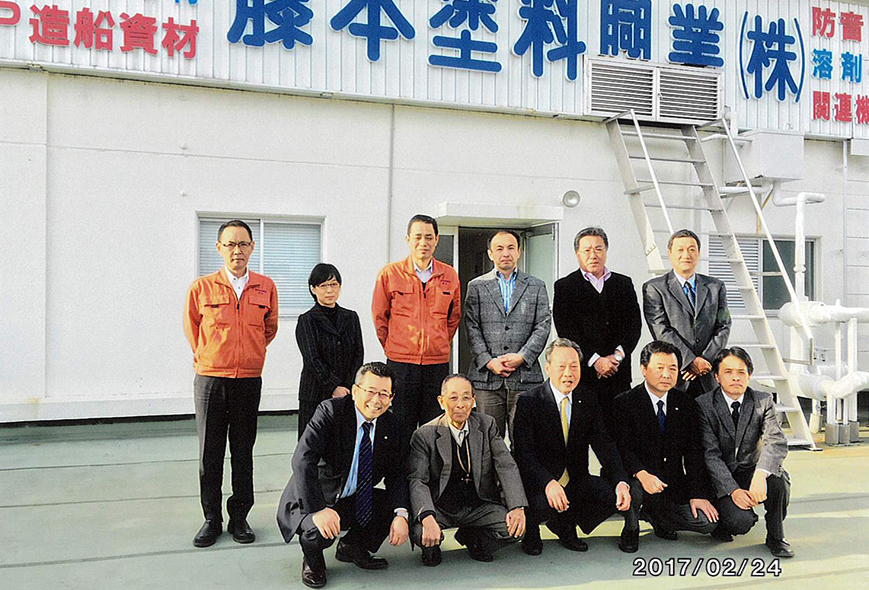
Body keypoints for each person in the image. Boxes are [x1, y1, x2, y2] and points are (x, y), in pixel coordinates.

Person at [183, 219, 279, 547]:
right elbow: (193, 329)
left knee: (242, 451)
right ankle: (212, 518)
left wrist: (249, 354)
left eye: (243, 244)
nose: (237, 250)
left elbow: (269, 329)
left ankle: (240, 517)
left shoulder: (266, 287)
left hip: (248, 380)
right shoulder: (201, 288)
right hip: (210, 379)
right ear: (219, 248)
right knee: (210, 453)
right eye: (230, 244)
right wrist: (213, 356)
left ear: (252, 247)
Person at [276, 362, 411, 588]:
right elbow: (302, 459)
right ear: (355, 391)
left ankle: (352, 547)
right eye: (370, 391)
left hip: (353, 495)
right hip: (317, 495)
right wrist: (318, 509)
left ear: (391, 398)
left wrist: (401, 514)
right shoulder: (331, 411)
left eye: (383, 394)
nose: (376, 400)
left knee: (392, 505)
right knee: (319, 531)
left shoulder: (393, 425)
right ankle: (313, 561)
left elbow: (397, 474)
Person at [512, 338, 641, 556]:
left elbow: (604, 444)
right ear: (548, 368)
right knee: (540, 503)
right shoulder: (529, 401)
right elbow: (524, 454)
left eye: (574, 366)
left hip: (574, 479)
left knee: (614, 496)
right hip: (540, 483)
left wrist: (620, 481)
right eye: (561, 366)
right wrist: (548, 483)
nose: (568, 373)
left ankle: (565, 523)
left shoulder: (587, 398)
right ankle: (532, 530)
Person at [407, 374, 527, 566]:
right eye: (453, 398)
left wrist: (517, 507)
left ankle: (474, 539)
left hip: (478, 505)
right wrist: (427, 516)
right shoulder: (424, 434)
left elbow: (506, 465)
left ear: (473, 401)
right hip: (441, 506)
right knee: (420, 532)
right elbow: (417, 479)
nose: (460, 405)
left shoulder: (486, 425)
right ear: (441, 401)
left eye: (466, 398)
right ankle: (433, 545)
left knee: (515, 529)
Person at [612, 341, 718, 544]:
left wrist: (697, 494)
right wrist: (642, 474)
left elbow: (694, 453)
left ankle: (658, 517)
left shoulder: (685, 403)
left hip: (671, 484)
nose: (666, 374)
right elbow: (621, 449)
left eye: (673, 368)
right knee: (635, 488)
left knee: (706, 523)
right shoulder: (624, 402)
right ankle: (631, 526)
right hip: (637, 480)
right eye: (659, 368)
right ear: (643, 369)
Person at [372, 214, 461, 446]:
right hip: (401, 363)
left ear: (437, 240)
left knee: (435, 426)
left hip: (436, 364)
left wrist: (439, 343)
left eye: (429, 237)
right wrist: (394, 346)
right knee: (401, 425)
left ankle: (430, 469)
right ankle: (402, 469)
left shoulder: (449, 275)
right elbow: (380, 317)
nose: (423, 242)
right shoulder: (390, 274)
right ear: (408, 239)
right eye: (418, 237)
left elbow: (453, 317)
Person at [697, 347, 794, 558]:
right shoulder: (704, 404)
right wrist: (733, 490)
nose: (736, 378)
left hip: (751, 469)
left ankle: (776, 536)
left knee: (778, 480)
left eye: (741, 372)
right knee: (740, 522)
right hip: (721, 478)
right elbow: (710, 454)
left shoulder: (763, 400)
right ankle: (723, 521)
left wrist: (761, 475)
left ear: (749, 375)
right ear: (717, 377)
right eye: (728, 372)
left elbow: (775, 441)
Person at [464, 230, 551, 440]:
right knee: (487, 440)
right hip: (487, 379)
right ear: (490, 253)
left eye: (511, 248)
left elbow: (543, 325)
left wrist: (522, 356)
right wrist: (488, 361)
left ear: (519, 251)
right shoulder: (476, 286)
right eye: (499, 248)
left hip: (525, 377)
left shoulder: (536, 285)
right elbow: (471, 326)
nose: (506, 253)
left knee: (525, 440)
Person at [553, 227, 641, 430]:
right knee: (582, 434)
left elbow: (633, 326)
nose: (593, 255)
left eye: (598, 249)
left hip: (618, 373)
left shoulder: (623, 284)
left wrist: (616, 358)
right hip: (584, 375)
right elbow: (567, 331)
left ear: (606, 251)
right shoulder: (565, 287)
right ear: (577, 253)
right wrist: (596, 361)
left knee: (619, 433)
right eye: (587, 250)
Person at [643, 229, 731, 397]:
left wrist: (705, 360)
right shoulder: (655, 288)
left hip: (708, 374)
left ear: (698, 253)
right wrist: (690, 360)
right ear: (670, 253)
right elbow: (661, 329)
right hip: (677, 375)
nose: (686, 255)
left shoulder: (716, 287)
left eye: (691, 250)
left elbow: (724, 325)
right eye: (680, 250)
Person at [296, 263, 364, 439]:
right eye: (323, 285)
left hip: (347, 393)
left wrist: (348, 386)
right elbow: (312, 359)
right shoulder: (306, 320)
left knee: (342, 442)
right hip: (315, 393)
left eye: (334, 284)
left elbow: (358, 354)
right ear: (313, 289)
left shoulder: (351, 317)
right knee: (312, 442)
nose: (329, 290)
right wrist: (334, 386)